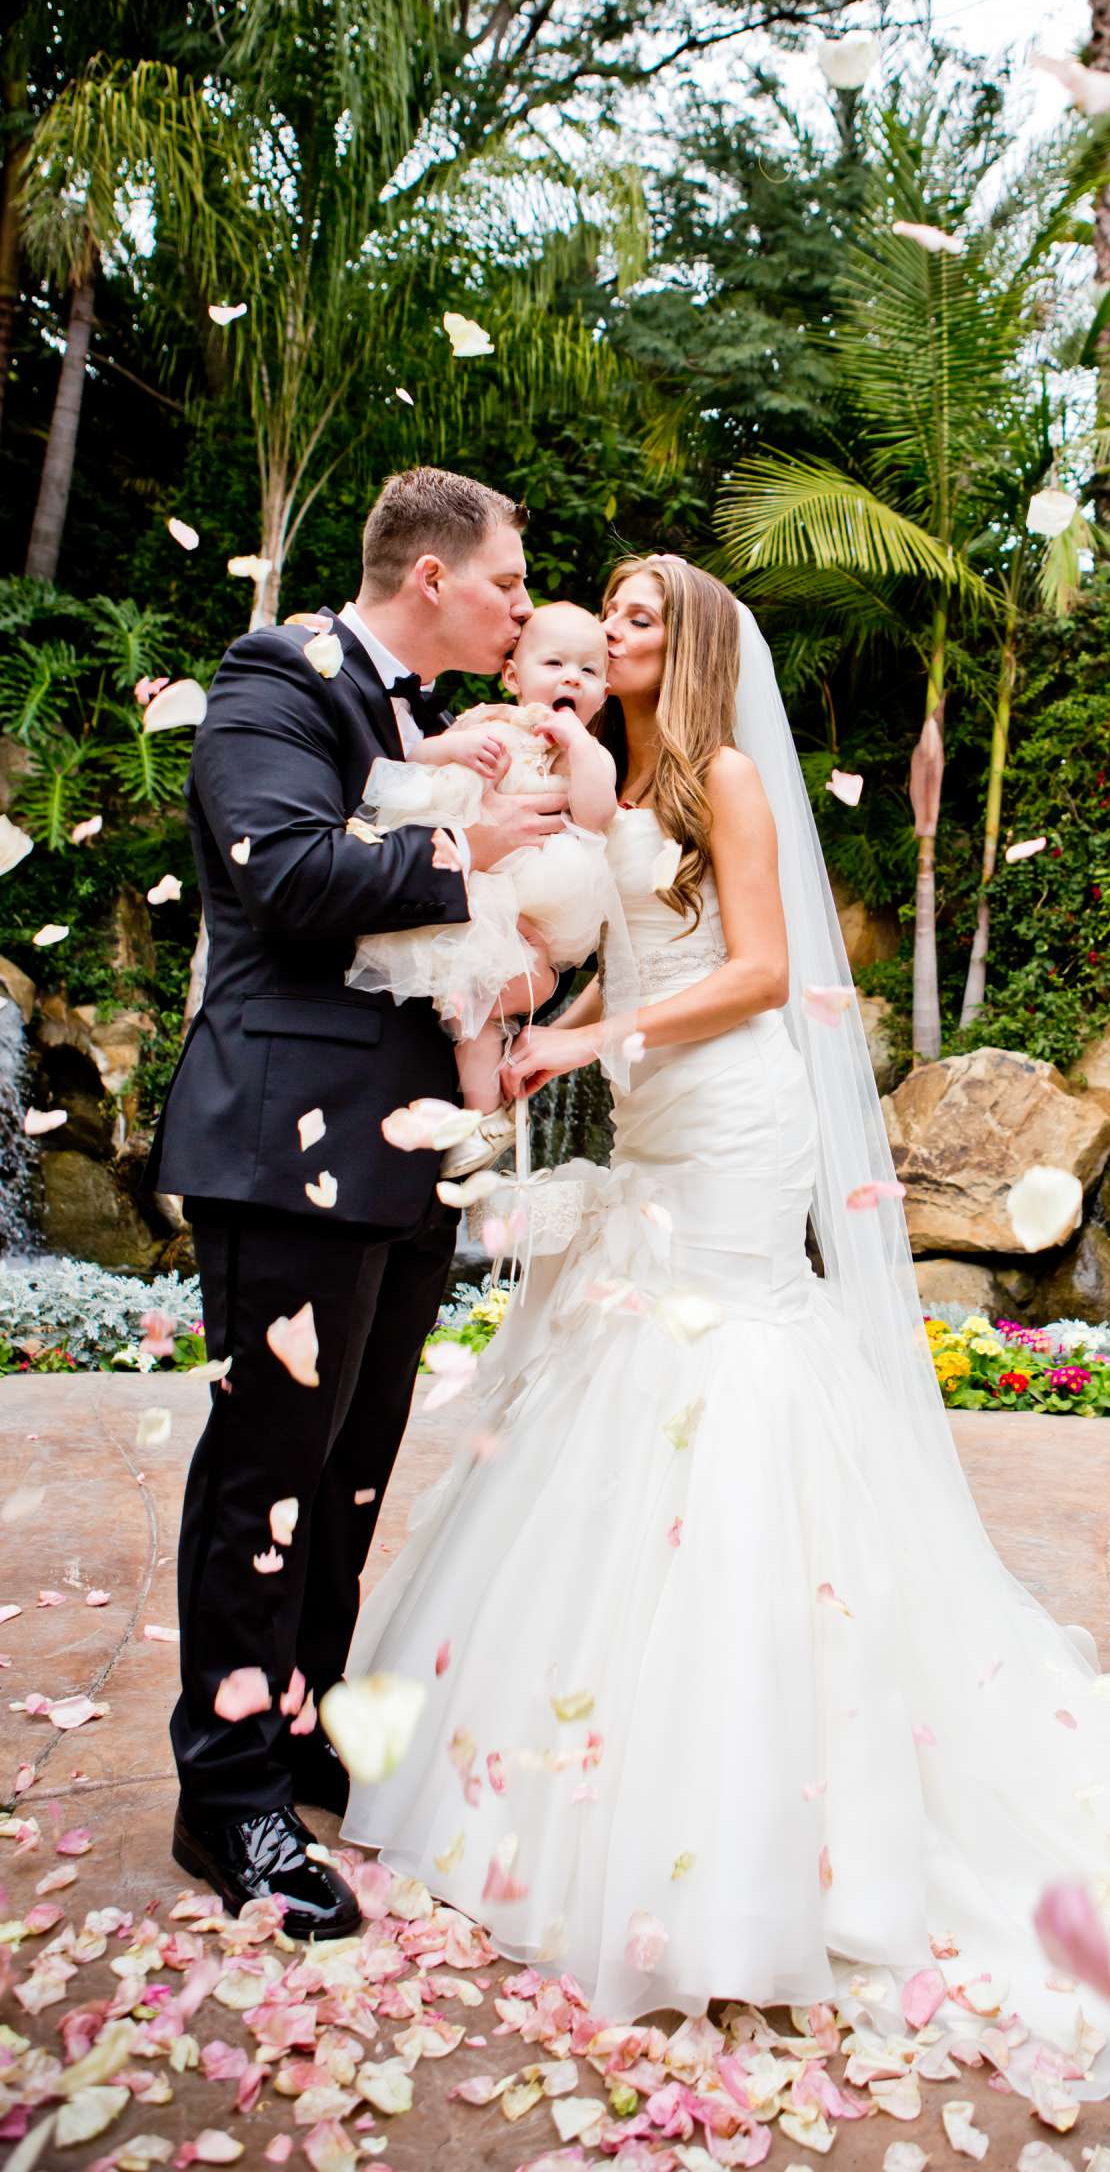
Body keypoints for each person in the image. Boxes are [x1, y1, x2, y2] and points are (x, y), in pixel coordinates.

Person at [339, 553, 1110, 2100]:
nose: (604, 633)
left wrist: (603, 1025)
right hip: (654, 1115)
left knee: (728, 1372)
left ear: (684, 646)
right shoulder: (623, 776)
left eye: (631, 617)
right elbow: (584, 910)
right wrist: (511, 932)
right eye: (596, 614)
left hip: (738, 1121)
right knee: (629, 1379)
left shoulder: (740, 778)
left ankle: (760, 1810)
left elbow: (759, 973)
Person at [147, 465, 568, 1940]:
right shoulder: (280, 672)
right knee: (266, 1468)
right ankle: (228, 1796)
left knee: (352, 1466)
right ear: (436, 576)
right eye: (510, 581)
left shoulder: (415, 720)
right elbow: (282, 873)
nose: (524, 606)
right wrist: (475, 850)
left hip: (402, 1145)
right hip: (288, 1139)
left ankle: (299, 1726)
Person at [345, 601, 620, 1176]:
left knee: (498, 1001)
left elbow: (597, 813)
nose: (572, 676)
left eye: (589, 670)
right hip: (474, 891)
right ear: (514, 676)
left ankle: (483, 1116)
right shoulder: (484, 723)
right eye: (554, 662)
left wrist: (575, 742)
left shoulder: (588, 754)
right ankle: (478, 1116)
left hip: (539, 907)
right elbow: (415, 762)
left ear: (603, 690)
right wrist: (454, 749)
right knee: (470, 1011)